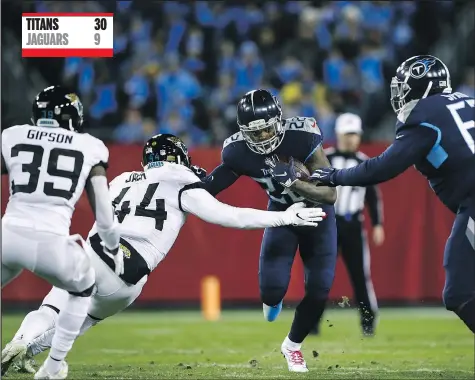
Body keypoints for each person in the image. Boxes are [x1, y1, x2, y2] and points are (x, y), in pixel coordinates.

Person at [2, 133, 326, 375]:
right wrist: (284, 216)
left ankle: (20, 341)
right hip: (127, 276)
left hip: (94, 251)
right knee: (82, 319)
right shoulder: (185, 183)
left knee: (54, 305)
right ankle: (35, 355)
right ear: (180, 158)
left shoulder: (123, 179)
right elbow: (233, 216)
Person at [311, 55, 475, 334]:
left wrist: (334, 176)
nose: (400, 94)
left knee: (459, 292)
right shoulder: (467, 101)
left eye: (404, 86)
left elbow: (382, 168)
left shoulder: (422, 114)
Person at [202, 89, 338, 372]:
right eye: (256, 133)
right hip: (282, 214)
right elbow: (207, 190)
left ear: (279, 121)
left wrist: (295, 183)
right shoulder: (237, 151)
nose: (263, 138)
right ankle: (272, 301)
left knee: (319, 289)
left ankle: (293, 346)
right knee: (272, 289)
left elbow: (329, 195)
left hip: (316, 214)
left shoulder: (303, 135)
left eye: (266, 130)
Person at [1, 85, 121, 379]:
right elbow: (104, 213)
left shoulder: (11, 134)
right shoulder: (90, 146)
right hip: (51, 242)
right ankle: (52, 367)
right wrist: (113, 247)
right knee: (83, 290)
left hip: (8, 235)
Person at [312, 113, 384, 337]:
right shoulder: (325, 158)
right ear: (339, 135)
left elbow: (373, 197)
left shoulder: (365, 163)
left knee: (360, 277)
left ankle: (368, 322)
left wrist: (378, 224)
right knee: (320, 276)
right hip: (328, 226)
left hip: (353, 225)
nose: (352, 139)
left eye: (355, 134)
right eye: (348, 134)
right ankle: (311, 322)